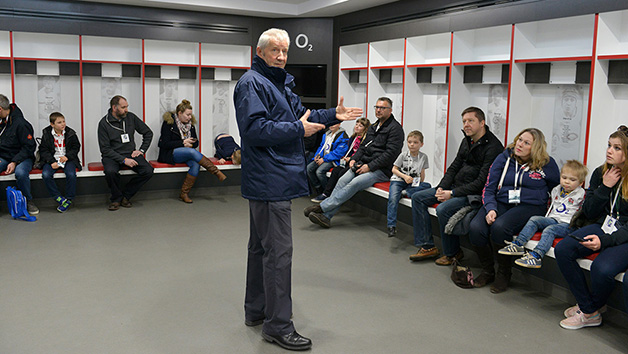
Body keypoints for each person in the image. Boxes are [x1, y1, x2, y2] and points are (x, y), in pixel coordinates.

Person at [234, 28, 362, 351]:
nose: (281, 56)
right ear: (260, 52)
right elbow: (254, 130)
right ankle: (277, 326)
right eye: (275, 50)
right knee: (278, 253)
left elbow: (302, 115)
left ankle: (256, 311)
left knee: (261, 249)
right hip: (269, 179)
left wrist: (333, 114)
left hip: (272, 178)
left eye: (285, 51)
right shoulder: (252, 84)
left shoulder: (278, 82)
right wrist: (298, 129)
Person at [469, 128, 560, 293]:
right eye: (519, 140)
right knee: (476, 228)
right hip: (502, 201)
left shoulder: (547, 163)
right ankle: (488, 270)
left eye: (526, 143)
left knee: (500, 227)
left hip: (530, 206)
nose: (520, 145)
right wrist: (491, 208)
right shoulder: (503, 158)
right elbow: (489, 187)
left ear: (535, 148)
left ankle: (504, 273)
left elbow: (558, 189)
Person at [408, 107, 503, 266]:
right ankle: (427, 246)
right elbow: (454, 166)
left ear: (482, 123)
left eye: (470, 121)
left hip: (474, 194)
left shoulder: (493, 147)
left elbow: (482, 182)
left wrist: (451, 193)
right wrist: (442, 187)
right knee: (417, 197)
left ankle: (453, 253)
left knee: (443, 209)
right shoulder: (467, 139)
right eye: (464, 121)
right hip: (454, 187)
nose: (466, 124)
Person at [555, 127, 628, 330]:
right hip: (603, 225)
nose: (609, 151)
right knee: (564, 249)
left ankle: (589, 309)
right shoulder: (600, 172)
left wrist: (603, 242)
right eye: (609, 145)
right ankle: (590, 310)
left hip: (624, 234)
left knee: (602, 268)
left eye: (617, 147)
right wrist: (604, 187)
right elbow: (588, 210)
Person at [305, 97, 404, 228]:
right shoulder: (374, 127)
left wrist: (369, 166)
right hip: (362, 164)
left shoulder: (395, 129)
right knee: (342, 181)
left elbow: (390, 155)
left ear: (390, 110)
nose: (379, 110)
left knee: (354, 183)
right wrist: (353, 160)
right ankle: (326, 217)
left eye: (382, 108)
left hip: (381, 170)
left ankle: (322, 207)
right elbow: (363, 147)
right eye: (377, 107)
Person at [498, 160, 587, 268]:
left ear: (581, 182)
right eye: (564, 178)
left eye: (572, 180)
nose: (567, 182)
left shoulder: (581, 194)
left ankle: (536, 256)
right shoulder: (556, 190)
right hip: (553, 219)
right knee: (534, 219)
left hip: (568, 224)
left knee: (550, 230)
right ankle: (518, 244)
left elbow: (584, 213)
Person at [158, 99, 226, 203]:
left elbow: (196, 143)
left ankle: (184, 193)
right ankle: (215, 171)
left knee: (195, 164)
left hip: (186, 152)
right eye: (187, 115)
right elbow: (163, 144)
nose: (190, 117)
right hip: (170, 154)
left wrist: (191, 143)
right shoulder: (169, 123)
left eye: (190, 115)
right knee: (191, 152)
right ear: (179, 113)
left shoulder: (191, 125)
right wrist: (182, 143)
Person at [98, 95, 154, 211]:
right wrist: (123, 160)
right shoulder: (104, 123)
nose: (126, 110)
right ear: (114, 108)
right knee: (110, 172)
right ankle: (116, 198)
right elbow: (105, 149)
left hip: (130, 153)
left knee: (148, 170)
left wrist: (141, 150)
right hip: (112, 155)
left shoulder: (131, 117)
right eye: (123, 107)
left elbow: (148, 133)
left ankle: (126, 195)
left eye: (127, 107)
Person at [311, 117, 370, 203]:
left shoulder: (363, 140)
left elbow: (362, 153)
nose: (356, 127)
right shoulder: (353, 138)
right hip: (347, 161)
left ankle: (333, 197)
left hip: (356, 163)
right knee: (333, 171)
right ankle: (326, 194)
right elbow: (322, 147)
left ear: (365, 129)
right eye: (356, 124)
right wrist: (318, 156)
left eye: (360, 126)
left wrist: (351, 159)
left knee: (330, 172)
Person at [387, 130, 431, 237]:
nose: (412, 144)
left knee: (427, 186)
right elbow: (394, 169)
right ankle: (391, 225)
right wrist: (405, 177)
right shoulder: (403, 155)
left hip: (412, 183)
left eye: (415, 142)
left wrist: (419, 185)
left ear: (421, 144)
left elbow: (422, 173)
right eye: (410, 142)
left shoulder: (423, 157)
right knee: (393, 198)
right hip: (399, 180)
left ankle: (406, 192)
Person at [0, 94, 38, 215]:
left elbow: (29, 147)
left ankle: (28, 201)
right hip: (6, 156)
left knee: (20, 173)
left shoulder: (21, 124)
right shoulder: (3, 122)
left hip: (23, 158)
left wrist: (15, 161)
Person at [38, 112, 81, 212]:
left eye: (63, 121)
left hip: (67, 159)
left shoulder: (70, 133)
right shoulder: (46, 133)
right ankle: (58, 197)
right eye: (59, 122)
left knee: (71, 174)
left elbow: (76, 147)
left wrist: (67, 156)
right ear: (52, 124)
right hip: (53, 159)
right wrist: (52, 161)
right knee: (46, 174)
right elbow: (43, 150)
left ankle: (69, 199)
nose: (63, 124)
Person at [306, 122, 348, 194]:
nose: (331, 126)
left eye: (334, 124)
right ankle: (318, 188)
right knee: (308, 168)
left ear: (339, 124)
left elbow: (338, 153)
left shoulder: (343, 136)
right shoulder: (326, 134)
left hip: (333, 160)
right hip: (324, 158)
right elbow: (321, 146)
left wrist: (324, 159)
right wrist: (317, 155)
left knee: (319, 172)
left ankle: (327, 192)